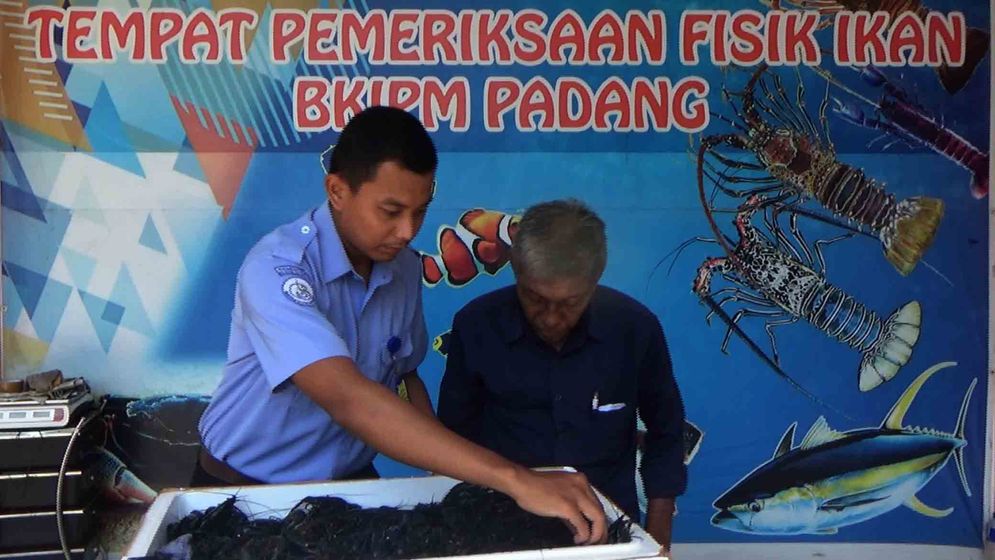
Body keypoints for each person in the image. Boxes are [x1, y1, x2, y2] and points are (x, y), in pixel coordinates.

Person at [195, 107, 606, 545]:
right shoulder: (276, 269)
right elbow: (348, 398)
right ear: (336, 190)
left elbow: (403, 376)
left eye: (420, 211)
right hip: (244, 493)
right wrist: (516, 479)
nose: (408, 231)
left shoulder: (403, 269)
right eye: (390, 211)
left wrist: (438, 474)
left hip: (348, 492)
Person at [437, 199, 687, 553]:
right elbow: (452, 439)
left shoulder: (635, 330)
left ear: (595, 280)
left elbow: (666, 435)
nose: (551, 319)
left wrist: (658, 543)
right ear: (517, 273)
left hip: (608, 532)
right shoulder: (477, 327)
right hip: (497, 529)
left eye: (570, 303)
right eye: (535, 299)